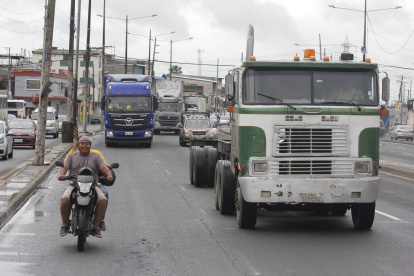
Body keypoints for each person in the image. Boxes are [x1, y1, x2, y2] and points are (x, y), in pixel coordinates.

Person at [58, 136, 113, 238]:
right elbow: (65, 167)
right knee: (65, 199)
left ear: (90, 145)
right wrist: (62, 175)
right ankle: (65, 225)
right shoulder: (71, 156)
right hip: (74, 184)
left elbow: (104, 168)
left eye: (87, 143)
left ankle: (96, 227)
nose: (84, 145)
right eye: (82, 143)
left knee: (103, 199)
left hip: (93, 185)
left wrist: (109, 175)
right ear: (78, 145)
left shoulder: (96, 156)